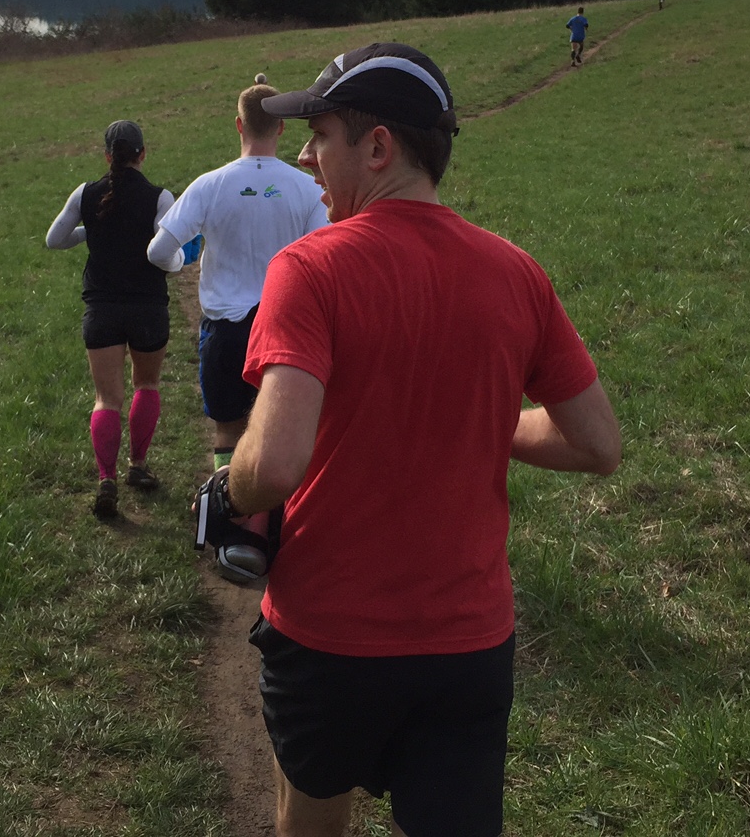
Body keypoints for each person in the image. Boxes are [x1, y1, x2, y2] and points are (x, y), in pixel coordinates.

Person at [210, 42, 621, 837]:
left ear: (377, 147)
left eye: (319, 136)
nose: (306, 157)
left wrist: (229, 488)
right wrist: (478, 418)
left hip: (329, 637)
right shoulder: (518, 273)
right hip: (468, 645)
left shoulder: (309, 269)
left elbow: (277, 462)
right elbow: (598, 445)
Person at [147, 75, 328, 580]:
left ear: (238, 125)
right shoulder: (306, 187)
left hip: (225, 329)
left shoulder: (210, 184)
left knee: (229, 428)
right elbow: (326, 251)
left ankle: (235, 529)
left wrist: (181, 263)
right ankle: (282, 529)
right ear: (282, 129)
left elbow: (158, 251)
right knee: (285, 430)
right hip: (285, 327)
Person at [46, 119, 173, 519]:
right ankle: (138, 465)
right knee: (146, 384)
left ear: (106, 156)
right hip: (148, 307)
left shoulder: (85, 193)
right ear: (142, 154)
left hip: (101, 309)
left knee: (106, 399)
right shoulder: (160, 197)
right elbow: (166, 254)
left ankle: (106, 478)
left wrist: (89, 232)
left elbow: (54, 240)